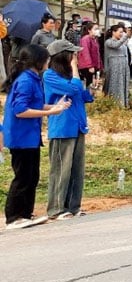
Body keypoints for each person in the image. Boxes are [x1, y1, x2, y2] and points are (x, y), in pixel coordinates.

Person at [2, 44, 70, 229]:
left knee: (32, 175)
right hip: (21, 137)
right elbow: (20, 110)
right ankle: (14, 217)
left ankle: (25, 213)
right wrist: (50, 113)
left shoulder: (33, 78)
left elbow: (36, 104)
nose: (49, 61)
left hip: (30, 136)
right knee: (23, 176)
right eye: (46, 58)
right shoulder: (25, 81)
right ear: (38, 61)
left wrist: (56, 107)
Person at [44, 39, 95, 220]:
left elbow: (82, 95)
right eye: (73, 54)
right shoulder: (49, 76)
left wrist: (90, 89)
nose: (76, 57)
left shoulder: (71, 76)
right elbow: (73, 89)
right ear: (63, 56)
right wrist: (75, 70)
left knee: (76, 169)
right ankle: (56, 208)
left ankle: (73, 206)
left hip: (78, 125)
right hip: (62, 127)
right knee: (61, 169)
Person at [103, 24, 130, 107]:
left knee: (123, 85)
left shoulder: (122, 43)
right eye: (120, 32)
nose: (121, 34)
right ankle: (114, 104)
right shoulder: (108, 42)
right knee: (115, 85)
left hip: (123, 66)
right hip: (114, 67)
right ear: (113, 32)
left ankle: (123, 104)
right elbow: (116, 45)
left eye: (123, 32)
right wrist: (125, 37)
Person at [76, 22, 103, 89]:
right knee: (89, 85)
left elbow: (97, 54)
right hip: (86, 67)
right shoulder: (86, 39)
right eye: (95, 29)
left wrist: (100, 65)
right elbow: (86, 53)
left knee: (94, 85)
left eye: (98, 29)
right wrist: (90, 66)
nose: (97, 30)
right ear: (89, 30)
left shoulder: (95, 40)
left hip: (94, 66)